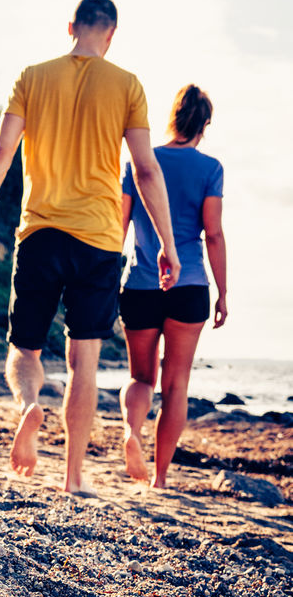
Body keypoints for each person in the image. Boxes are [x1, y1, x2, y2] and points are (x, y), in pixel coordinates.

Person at [0, 0, 181, 494]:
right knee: (83, 360)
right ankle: (74, 475)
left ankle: (29, 407)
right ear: (111, 34)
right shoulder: (128, 85)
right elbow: (146, 170)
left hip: (40, 232)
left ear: (71, 27)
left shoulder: (32, 77)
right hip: (99, 240)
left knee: (24, 348)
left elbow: (0, 151)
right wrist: (168, 244)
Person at [118, 84, 227, 490]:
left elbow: (121, 223)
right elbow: (213, 234)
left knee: (140, 377)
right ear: (205, 124)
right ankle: (160, 479)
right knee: (176, 384)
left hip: (142, 282)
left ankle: (133, 432)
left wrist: (109, 274)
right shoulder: (210, 168)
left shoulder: (141, 161)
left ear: (174, 117)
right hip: (190, 283)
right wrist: (224, 292)